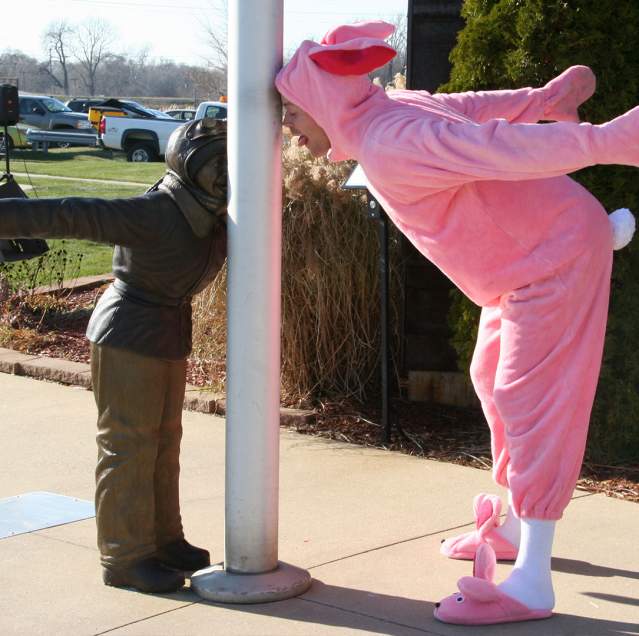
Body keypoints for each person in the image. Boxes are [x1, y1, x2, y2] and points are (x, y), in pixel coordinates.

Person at [276, 21, 636, 626]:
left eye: (291, 109)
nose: (287, 125)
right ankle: (517, 531)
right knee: (492, 379)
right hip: (524, 265)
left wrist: (605, 140)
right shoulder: (386, 113)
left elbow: (496, 145)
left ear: (322, 101)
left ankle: (532, 583)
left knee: (531, 402)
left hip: (554, 260)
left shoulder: (390, 142)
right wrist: (544, 102)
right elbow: (470, 108)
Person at [0, 118, 228, 594]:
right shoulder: (154, 211)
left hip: (167, 329)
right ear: (188, 164)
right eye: (218, 163)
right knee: (126, 446)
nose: (228, 173)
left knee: (165, 443)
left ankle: (164, 539)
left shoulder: (214, 213)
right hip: (128, 330)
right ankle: (124, 556)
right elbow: (69, 213)